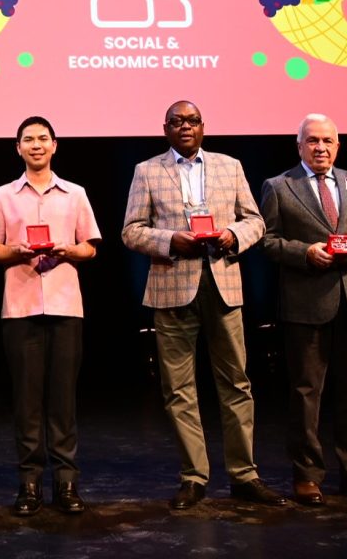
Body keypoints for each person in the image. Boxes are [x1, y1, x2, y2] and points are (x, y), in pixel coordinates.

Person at [121, 100, 286, 510]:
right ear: (165, 129)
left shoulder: (230, 166)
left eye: (192, 120)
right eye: (177, 121)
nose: (185, 127)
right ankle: (193, 477)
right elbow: (131, 231)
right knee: (179, 389)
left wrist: (233, 235)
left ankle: (244, 475)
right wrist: (169, 240)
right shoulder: (147, 170)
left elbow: (256, 221)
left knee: (236, 383)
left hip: (223, 283)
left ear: (203, 126)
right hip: (172, 287)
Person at [259, 114, 347, 506]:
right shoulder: (278, 186)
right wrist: (305, 253)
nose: (320, 147)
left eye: (327, 141)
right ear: (299, 145)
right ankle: (307, 476)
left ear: (338, 145)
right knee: (306, 393)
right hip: (306, 304)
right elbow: (266, 240)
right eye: (313, 141)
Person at [0, 116, 101, 516]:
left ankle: (66, 483)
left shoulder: (75, 193)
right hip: (21, 308)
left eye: (42, 138)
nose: (36, 145)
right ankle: (29, 484)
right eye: (28, 139)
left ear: (54, 145)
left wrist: (68, 250)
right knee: (27, 401)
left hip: (66, 306)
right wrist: (17, 251)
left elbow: (90, 247)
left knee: (63, 400)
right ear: (18, 147)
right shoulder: (2, 195)